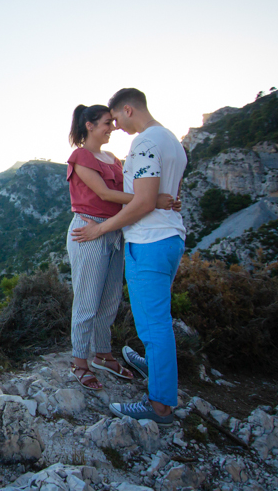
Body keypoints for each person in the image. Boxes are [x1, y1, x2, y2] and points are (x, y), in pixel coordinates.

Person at [71, 89, 187, 426]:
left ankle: (160, 405)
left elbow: (146, 200)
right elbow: (159, 195)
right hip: (166, 238)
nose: (116, 127)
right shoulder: (171, 140)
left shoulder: (145, 143)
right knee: (155, 320)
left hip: (150, 240)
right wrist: (160, 201)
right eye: (108, 124)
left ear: (127, 109)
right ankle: (153, 366)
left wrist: (104, 228)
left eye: (115, 119)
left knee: (154, 326)